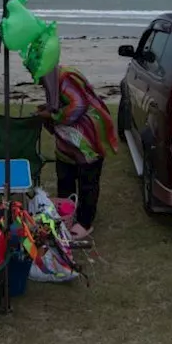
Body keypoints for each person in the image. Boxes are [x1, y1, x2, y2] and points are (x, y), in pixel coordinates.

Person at [37, 66, 118, 242]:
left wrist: (52, 115)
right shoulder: (52, 81)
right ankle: (66, 216)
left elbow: (79, 105)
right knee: (65, 177)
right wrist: (48, 110)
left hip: (87, 138)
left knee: (87, 181)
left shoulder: (65, 77)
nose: (36, 80)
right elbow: (59, 105)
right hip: (67, 141)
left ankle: (85, 221)